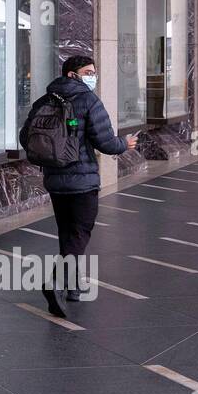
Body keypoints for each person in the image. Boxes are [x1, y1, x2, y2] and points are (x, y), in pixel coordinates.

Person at [36, 55, 137, 318]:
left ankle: (72, 287)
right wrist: (125, 144)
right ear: (72, 74)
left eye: (94, 71)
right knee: (79, 233)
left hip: (55, 179)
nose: (93, 76)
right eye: (88, 71)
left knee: (67, 233)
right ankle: (56, 282)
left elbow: (26, 136)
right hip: (82, 181)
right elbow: (105, 142)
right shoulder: (88, 100)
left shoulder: (45, 99)